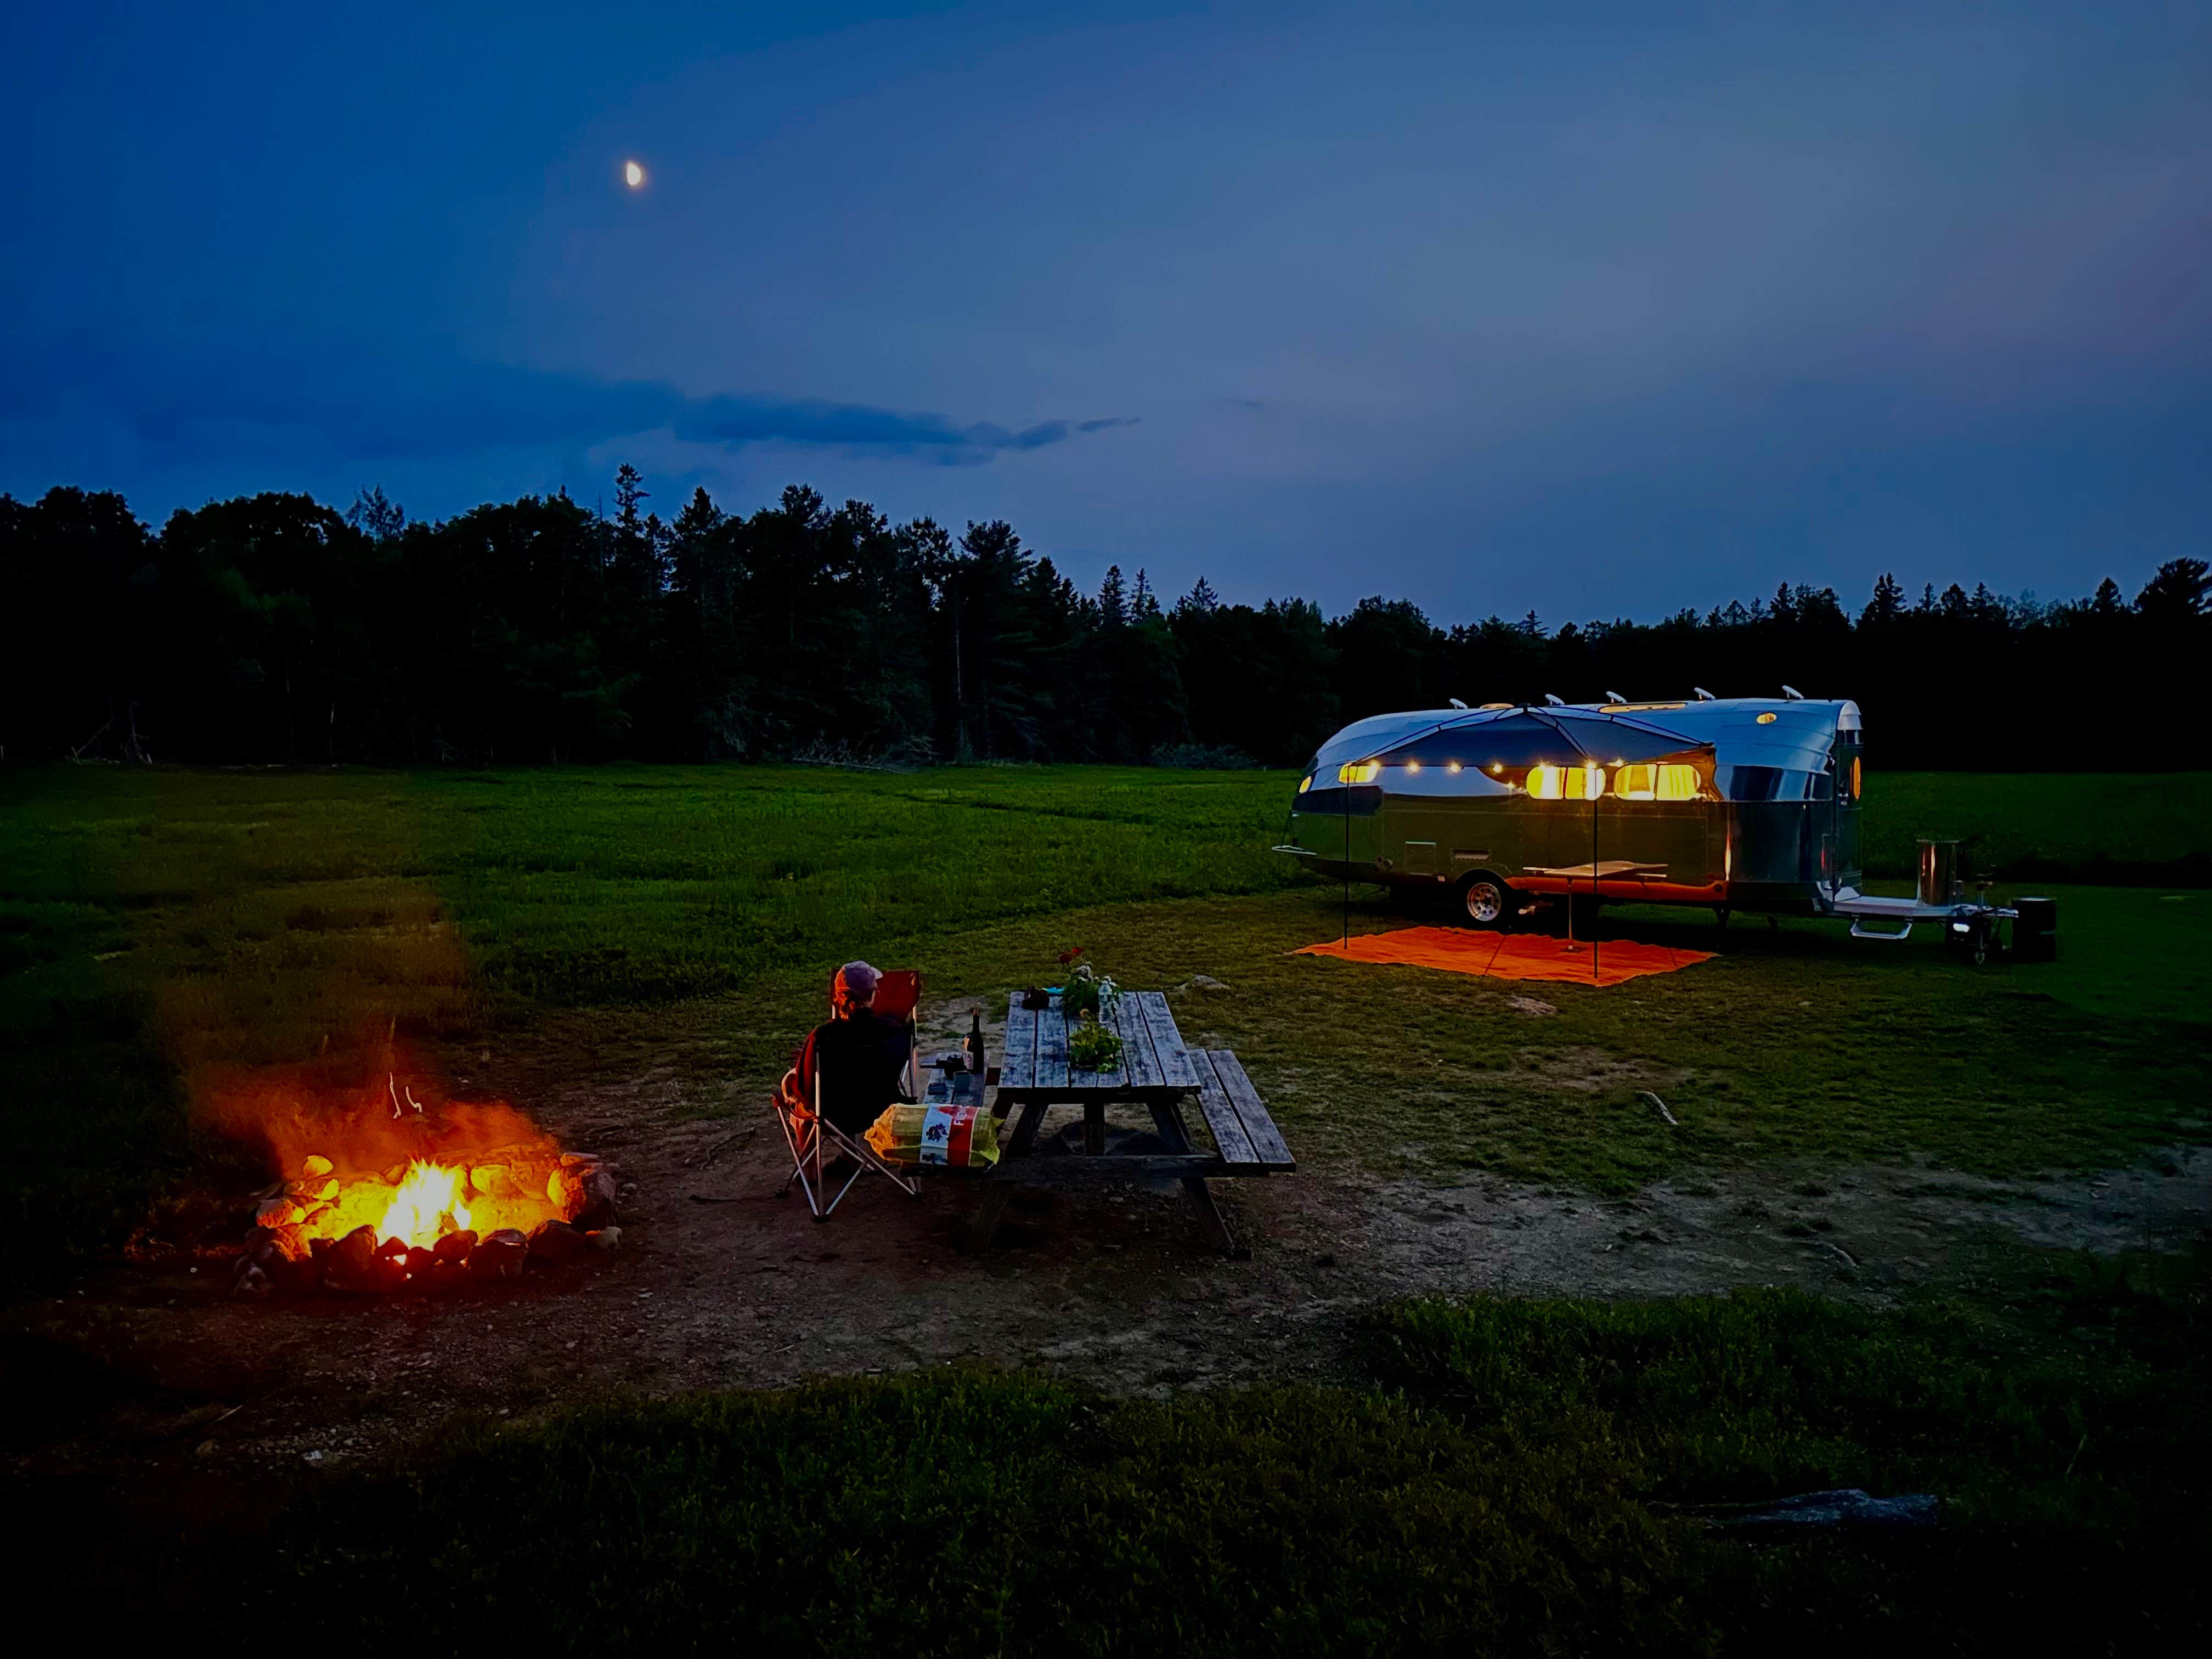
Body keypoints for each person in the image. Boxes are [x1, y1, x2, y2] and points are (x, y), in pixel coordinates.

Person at [782, 961, 915, 1138]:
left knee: (800, 1097)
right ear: (873, 995)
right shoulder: (895, 1031)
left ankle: (812, 1166)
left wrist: (789, 1085)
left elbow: (807, 1092)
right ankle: (849, 1160)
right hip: (882, 1111)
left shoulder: (823, 1037)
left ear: (837, 996)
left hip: (834, 1118)